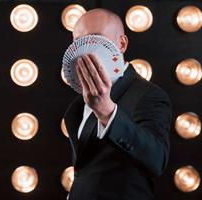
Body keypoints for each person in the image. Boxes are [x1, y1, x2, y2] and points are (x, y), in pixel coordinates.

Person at [63, 8, 172, 200]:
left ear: (122, 43)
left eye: (95, 38)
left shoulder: (150, 95)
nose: (85, 48)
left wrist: (107, 111)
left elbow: (157, 160)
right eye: (78, 42)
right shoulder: (79, 103)